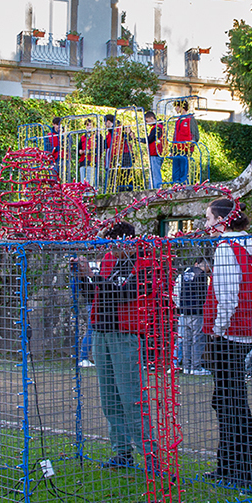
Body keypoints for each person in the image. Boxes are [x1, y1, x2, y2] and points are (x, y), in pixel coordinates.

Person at [73, 222, 154, 470]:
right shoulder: (109, 259)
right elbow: (94, 295)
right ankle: (122, 452)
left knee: (132, 397)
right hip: (101, 331)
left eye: (115, 245)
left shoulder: (145, 262)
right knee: (109, 397)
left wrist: (94, 276)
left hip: (125, 333)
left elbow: (126, 293)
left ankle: (150, 456)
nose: (111, 250)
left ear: (127, 242)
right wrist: (83, 277)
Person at [203, 199, 252, 490]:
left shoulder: (227, 248)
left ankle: (241, 470)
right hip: (242, 333)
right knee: (228, 400)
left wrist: (217, 330)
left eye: (209, 218)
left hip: (230, 335)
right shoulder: (247, 246)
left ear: (222, 220)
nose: (206, 225)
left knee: (230, 402)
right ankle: (228, 466)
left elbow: (227, 297)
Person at [172, 253, 211, 375]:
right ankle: (196, 366)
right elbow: (204, 294)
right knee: (197, 339)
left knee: (186, 340)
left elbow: (178, 290)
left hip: (184, 310)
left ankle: (187, 366)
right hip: (196, 311)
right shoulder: (201, 275)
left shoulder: (186, 273)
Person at [104, 114, 134, 192]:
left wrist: (129, 132)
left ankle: (127, 189)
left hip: (124, 154)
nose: (105, 125)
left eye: (105, 123)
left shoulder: (120, 128)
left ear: (108, 122)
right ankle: (118, 190)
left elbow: (130, 136)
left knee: (125, 174)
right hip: (115, 156)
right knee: (116, 175)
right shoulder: (109, 134)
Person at [170, 101, 197, 185]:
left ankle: (184, 186)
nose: (176, 109)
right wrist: (172, 150)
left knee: (184, 171)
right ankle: (176, 186)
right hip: (176, 149)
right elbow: (175, 136)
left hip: (185, 149)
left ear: (181, 107)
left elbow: (195, 135)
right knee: (175, 172)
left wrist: (190, 145)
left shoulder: (190, 119)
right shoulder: (178, 120)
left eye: (177, 107)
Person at [145, 110, 166, 189]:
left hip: (155, 153)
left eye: (147, 121)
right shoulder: (160, 127)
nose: (147, 123)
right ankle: (152, 188)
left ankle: (156, 189)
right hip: (158, 153)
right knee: (153, 173)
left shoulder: (157, 128)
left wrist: (138, 139)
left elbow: (149, 139)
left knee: (155, 174)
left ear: (151, 118)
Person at [78, 118, 97, 187]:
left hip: (91, 161)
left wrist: (90, 151)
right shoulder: (82, 137)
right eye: (87, 125)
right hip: (83, 161)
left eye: (90, 125)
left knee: (90, 181)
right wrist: (80, 151)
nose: (89, 127)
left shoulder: (96, 136)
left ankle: (90, 192)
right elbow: (79, 148)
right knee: (83, 180)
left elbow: (99, 149)